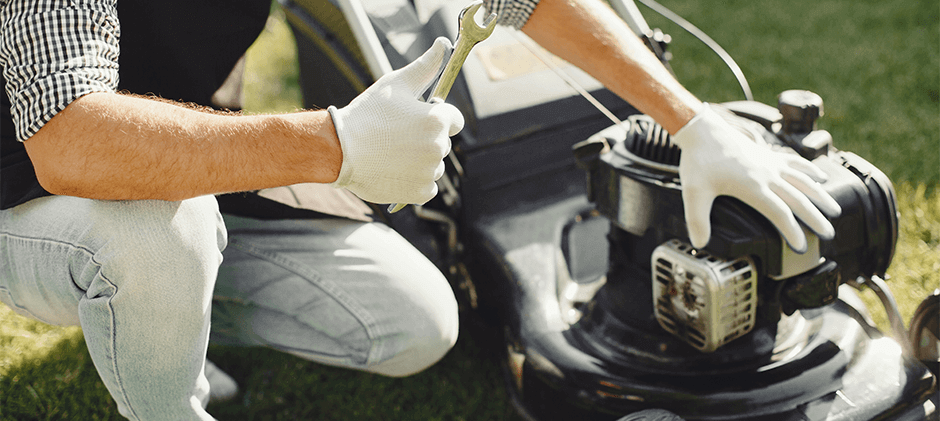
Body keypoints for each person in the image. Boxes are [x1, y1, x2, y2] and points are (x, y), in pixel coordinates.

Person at [0, 0, 841, 420]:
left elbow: (525, 0)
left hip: (188, 168)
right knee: (158, 230)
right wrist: (331, 142)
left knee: (412, 323)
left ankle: (166, 316)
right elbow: (67, 137)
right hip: (26, 197)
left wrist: (689, 122)